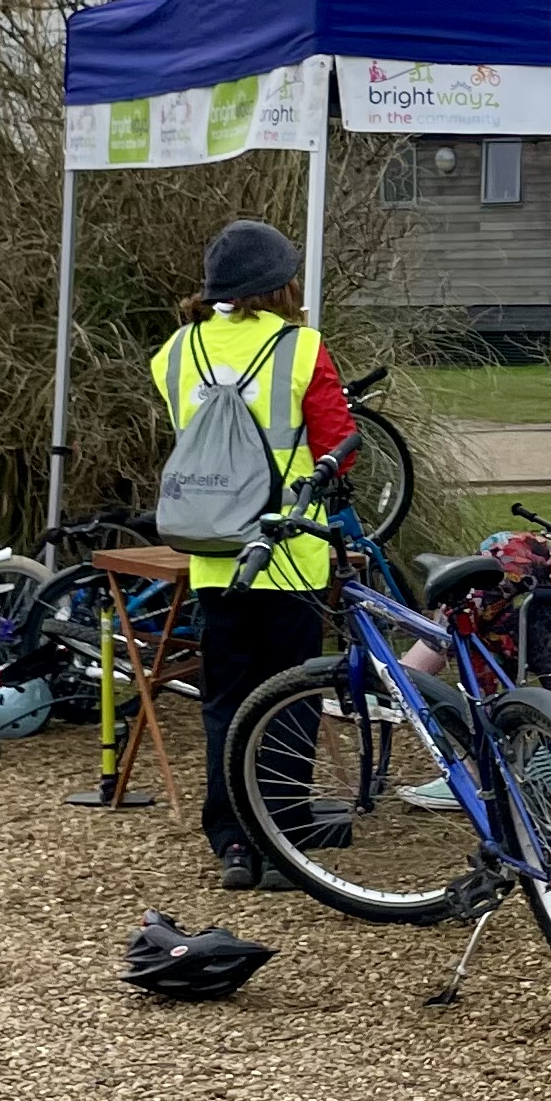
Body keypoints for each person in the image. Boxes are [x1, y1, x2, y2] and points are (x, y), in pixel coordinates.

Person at [150, 218, 358, 892]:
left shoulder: (177, 351)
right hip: (291, 551)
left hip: (216, 553)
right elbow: (338, 440)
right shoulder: (301, 347)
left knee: (227, 701)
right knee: (291, 697)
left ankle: (233, 840)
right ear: (280, 283)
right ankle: (283, 833)